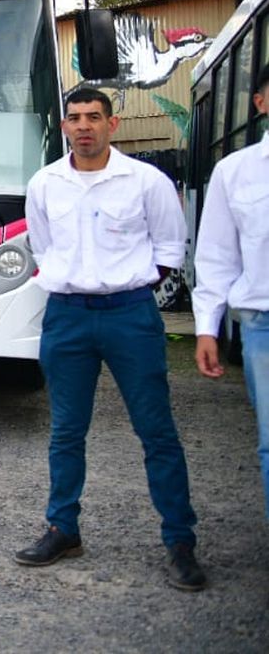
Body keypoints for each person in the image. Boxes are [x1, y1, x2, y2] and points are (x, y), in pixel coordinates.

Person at [15, 87, 205, 591]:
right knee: (66, 431)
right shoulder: (45, 184)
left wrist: (122, 285)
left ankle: (180, 540)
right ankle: (63, 528)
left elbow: (169, 248)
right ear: (64, 127)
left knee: (157, 431)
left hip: (129, 315)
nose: (84, 127)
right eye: (74, 118)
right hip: (67, 316)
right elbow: (44, 246)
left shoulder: (146, 181)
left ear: (111, 124)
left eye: (94, 117)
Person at [192, 63, 269, 521]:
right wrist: (206, 328)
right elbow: (217, 256)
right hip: (263, 325)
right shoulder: (236, 172)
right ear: (260, 103)